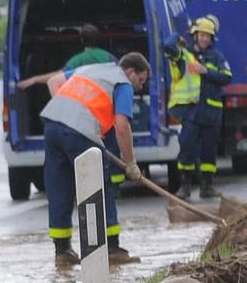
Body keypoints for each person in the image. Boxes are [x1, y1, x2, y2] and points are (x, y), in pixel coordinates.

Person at [40, 53, 150, 269]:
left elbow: (53, 82)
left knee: (59, 188)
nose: (140, 87)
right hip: (80, 132)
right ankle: (112, 249)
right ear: (130, 72)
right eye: (141, 80)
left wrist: (68, 113)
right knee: (99, 188)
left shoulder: (89, 69)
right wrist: (131, 163)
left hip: (53, 126)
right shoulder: (122, 82)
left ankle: (62, 251)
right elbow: (121, 126)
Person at [163, 14, 233, 199]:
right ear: (195, 35)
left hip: (211, 112)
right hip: (192, 112)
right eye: (200, 35)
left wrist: (206, 71)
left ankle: (206, 187)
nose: (204, 38)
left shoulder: (216, 56)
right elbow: (168, 47)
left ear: (211, 39)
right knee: (186, 148)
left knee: (209, 151)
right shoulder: (186, 55)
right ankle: (185, 187)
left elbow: (226, 77)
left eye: (207, 36)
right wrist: (177, 36)